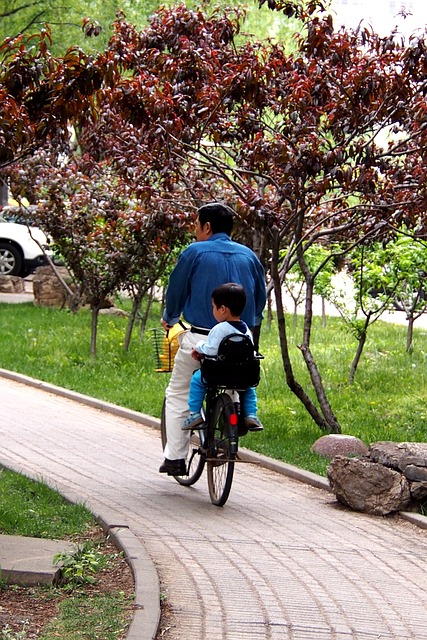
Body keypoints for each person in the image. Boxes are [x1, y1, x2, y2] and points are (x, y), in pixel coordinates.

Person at [159, 202, 266, 476]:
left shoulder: (194, 252)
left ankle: (175, 458)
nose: (195, 232)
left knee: (179, 394)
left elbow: (176, 290)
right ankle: (231, 424)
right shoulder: (249, 256)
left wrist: (171, 317)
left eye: (196, 226)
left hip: (201, 338)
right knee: (232, 383)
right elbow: (261, 299)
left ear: (206, 227)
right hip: (242, 341)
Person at [182, 282, 263, 432]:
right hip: (242, 375)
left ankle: (194, 414)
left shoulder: (219, 329)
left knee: (197, 380)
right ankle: (251, 414)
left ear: (223, 309)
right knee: (248, 388)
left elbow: (211, 350)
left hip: (218, 374)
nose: (213, 310)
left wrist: (198, 347)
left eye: (214, 307)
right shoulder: (247, 331)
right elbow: (250, 353)